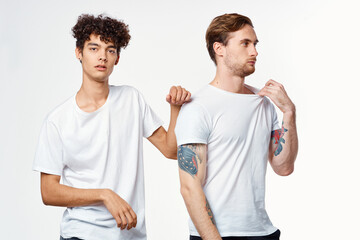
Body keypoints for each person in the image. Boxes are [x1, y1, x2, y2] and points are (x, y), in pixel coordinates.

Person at [33, 14, 190, 240]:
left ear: (117, 58)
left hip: (130, 234)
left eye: (110, 50)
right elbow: (48, 192)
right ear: (79, 53)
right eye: (94, 48)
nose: (102, 57)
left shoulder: (131, 99)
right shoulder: (58, 120)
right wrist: (104, 195)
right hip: (82, 233)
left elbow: (171, 150)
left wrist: (175, 109)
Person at [175, 13, 298, 240]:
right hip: (217, 234)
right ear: (219, 48)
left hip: (263, 231)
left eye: (254, 44)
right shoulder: (198, 107)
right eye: (245, 43)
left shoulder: (263, 104)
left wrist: (289, 112)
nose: (254, 52)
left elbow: (284, 168)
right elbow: (189, 187)